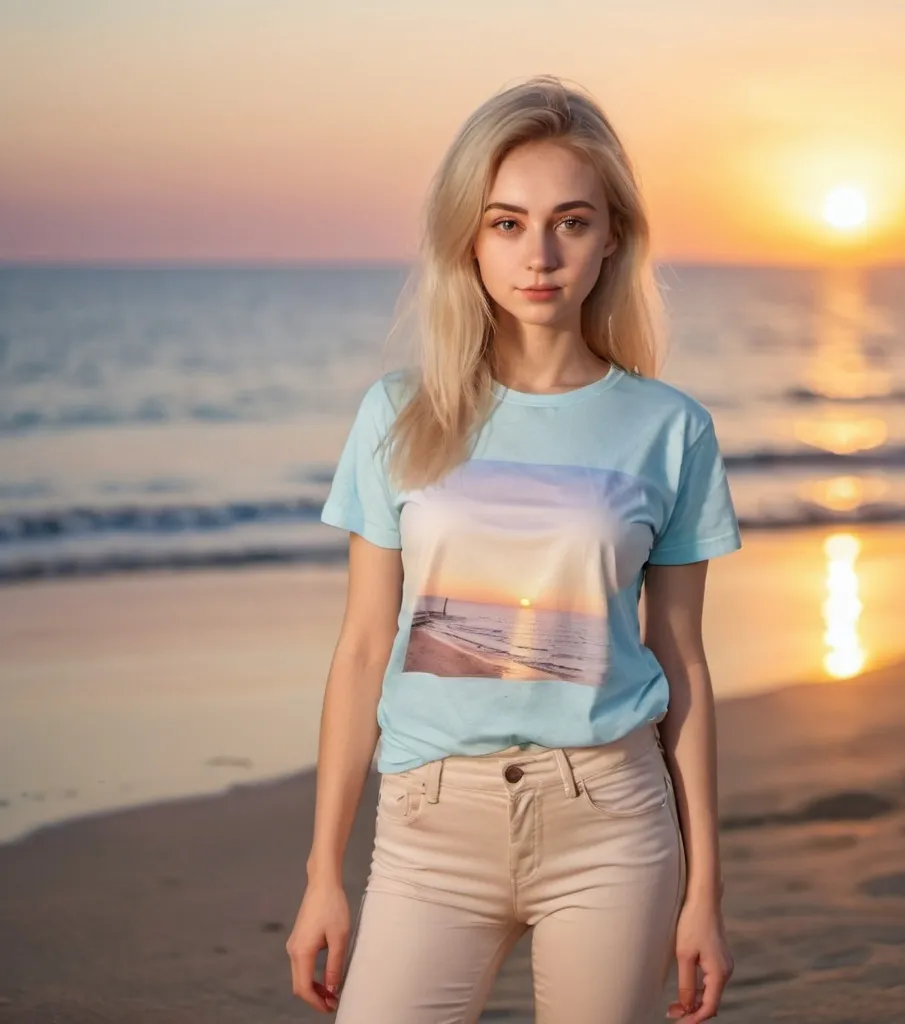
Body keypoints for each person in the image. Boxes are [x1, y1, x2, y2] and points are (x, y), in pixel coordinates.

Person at [286, 74, 742, 1024]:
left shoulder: (670, 429)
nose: (539, 254)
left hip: (612, 817)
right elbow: (365, 647)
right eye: (506, 223)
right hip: (428, 826)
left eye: (571, 222)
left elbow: (683, 660)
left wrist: (706, 892)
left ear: (614, 235)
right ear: (470, 237)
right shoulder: (398, 415)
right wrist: (323, 873)